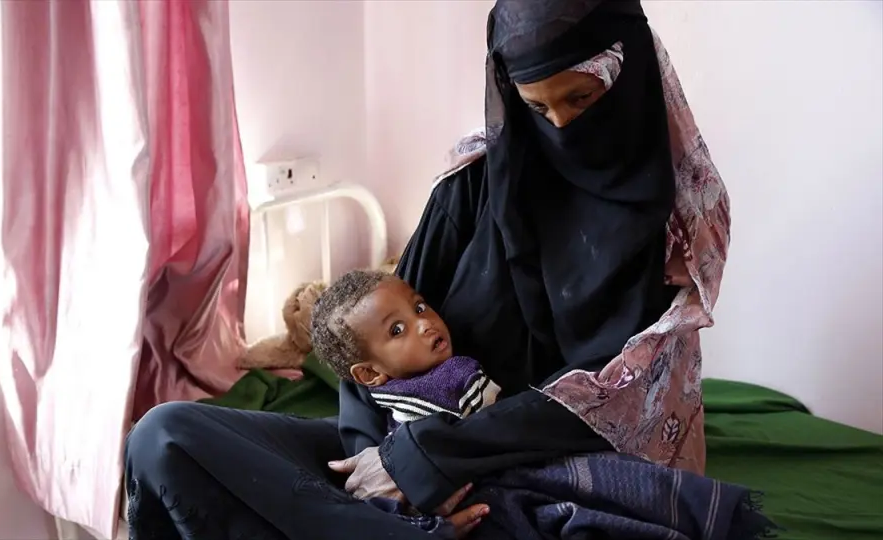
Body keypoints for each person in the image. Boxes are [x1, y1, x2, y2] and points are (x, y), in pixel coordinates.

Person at [123, 0, 730, 538]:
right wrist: (381, 477)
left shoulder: (676, 228)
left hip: (546, 472)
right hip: (410, 449)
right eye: (536, 107)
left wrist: (427, 462)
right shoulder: (474, 183)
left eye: (582, 99)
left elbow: (615, 399)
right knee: (164, 437)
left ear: (629, 75)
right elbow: (370, 337)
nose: (561, 127)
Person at [309, 269, 502, 430]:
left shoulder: (388, 401)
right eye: (397, 330)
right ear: (370, 373)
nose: (425, 324)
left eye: (419, 308)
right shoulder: (458, 378)